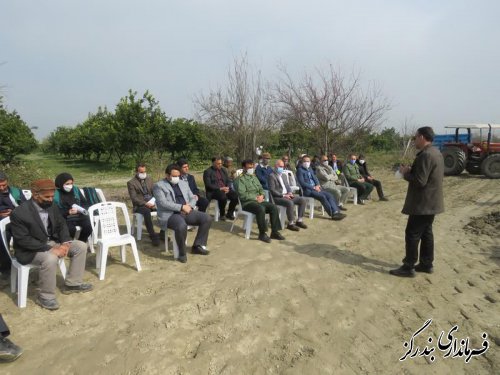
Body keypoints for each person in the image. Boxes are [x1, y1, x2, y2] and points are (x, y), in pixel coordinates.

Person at [10, 179, 93, 310]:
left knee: (80, 246)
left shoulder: (51, 205)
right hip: (29, 249)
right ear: (35, 194)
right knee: (50, 258)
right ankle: (45, 297)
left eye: (52, 196)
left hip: (51, 242)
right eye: (47, 197)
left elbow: (61, 225)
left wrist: (65, 243)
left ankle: (72, 284)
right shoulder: (19, 213)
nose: (50, 199)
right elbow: (23, 240)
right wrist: (50, 248)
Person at [390, 127, 444, 277]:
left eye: (415, 138)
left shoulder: (426, 155)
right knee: (426, 233)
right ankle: (427, 264)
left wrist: (405, 173)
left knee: (412, 233)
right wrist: (411, 170)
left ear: (421, 137)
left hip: (423, 203)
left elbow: (420, 181)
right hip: (431, 202)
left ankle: (408, 266)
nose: (414, 141)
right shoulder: (436, 152)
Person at [153, 164, 213, 263]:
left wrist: (190, 206)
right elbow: (163, 203)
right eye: (174, 176)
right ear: (167, 175)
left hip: (186, 211)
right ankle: (182, 253)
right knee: (181, 225)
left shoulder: (183, 183)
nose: (176, 178)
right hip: (170, 214)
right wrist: (181, 207)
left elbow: (192, 197)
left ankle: (197, 245)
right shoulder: (159, 186)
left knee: (206, 218)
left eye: (178, 175)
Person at [234, 160, 285, 243]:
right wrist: (255, 198)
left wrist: (262, 195)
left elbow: (261, 189)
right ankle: (262, 234)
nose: (251, 169)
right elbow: (243, 195)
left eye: (252, 167)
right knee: (260, 209)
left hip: (259, 200)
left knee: (273, 207)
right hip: (247, 203)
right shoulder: (240, 180)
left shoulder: (254, 177)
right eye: (249, 167)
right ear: (244, 168)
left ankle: (274, 232)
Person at [296, 155, 346, 220]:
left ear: (310, 162)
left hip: (316, 188)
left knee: (330, 195)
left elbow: (315, 178)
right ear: (302, 162)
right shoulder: (300, 170)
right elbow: (302, 183)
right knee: (322, 197)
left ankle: (336, 211)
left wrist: (318, 185)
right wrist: (313, 187)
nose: (306, 163)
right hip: (308, 191)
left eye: (308, 161)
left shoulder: (310, 169)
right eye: (305, 161)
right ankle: (332, 214)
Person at [267, 160, 307, 231]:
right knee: (290, 202)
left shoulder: (284, 175)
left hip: (287, 195)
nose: (281, 168)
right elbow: (272, 190)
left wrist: (290, 192)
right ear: (276, 166)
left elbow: (288, 186)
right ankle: (291, 223)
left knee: (302, 200)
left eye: (282, 166)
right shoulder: (271, 176)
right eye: (280, 166)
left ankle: (299, 220)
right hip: (277, 197)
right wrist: (283, 195)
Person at [127, 164, 161, 246]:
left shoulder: (149, 179)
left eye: (144, 171)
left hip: (152, 202)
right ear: (136, 172)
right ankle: (152, 235)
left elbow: (155, 192)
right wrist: (146, 203)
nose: (143, 173)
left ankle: (163, 233)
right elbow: (134, 198)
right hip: (140, 205)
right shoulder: (131, 183)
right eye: (141, 172)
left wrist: (154, 202)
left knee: (165, 207)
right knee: (146, 211)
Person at [54, 172, 93, 243]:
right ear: (60, 184)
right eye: (67, 184)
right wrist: (68, 212)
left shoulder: (75, 190)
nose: (70, 186)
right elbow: (54, 210)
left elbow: (85, 203)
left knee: (88, 226)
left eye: (71, 183)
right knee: (69, 230)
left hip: (78, 215)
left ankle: (81, 243)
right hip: (65, 217)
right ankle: (69, 246)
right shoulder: (55, 193)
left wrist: (79, 210)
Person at [0, 172, 26, 276]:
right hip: (1, 223)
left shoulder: (16, 192)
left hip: (16, 220)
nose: (2, 188)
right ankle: (6, 266)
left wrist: (15, 212)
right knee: (2, 237)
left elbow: (26, 206)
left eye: (4, 185)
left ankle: (23, 260)